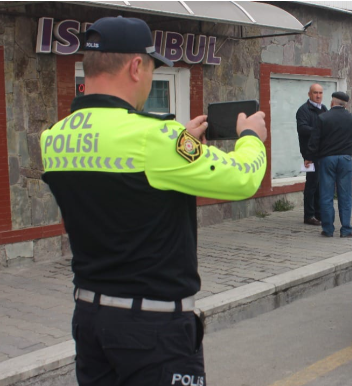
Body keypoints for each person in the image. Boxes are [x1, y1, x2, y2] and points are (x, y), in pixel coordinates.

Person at [39, 16, 267, 385]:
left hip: (90, 319)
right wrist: (250, 137)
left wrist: (183, 145)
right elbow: (243, 179)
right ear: (135, 66)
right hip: (153, 330)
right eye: (151, 68)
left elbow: (121, 182)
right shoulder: (157, 137)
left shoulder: (54, 137)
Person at [306, 91, 352, 238]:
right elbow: (351, 136)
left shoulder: (322, 118)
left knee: (326, 194)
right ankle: (346, 229)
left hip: (327, 159)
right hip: (345, 159)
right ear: (345, 104)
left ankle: (328, 229)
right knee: (345, 195)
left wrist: (309, 157)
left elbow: (315, 140)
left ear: (332, 102)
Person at [296, 84, 328, 226]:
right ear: (309, 94)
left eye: (320, 93)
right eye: (315, 93)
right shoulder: (303, 110)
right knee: (311, 184)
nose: (318, 95)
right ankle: (309, 215)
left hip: (322, 152)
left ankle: (318, 214)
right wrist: (319, 131)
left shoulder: (324, 109)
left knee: (320, 184)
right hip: (310, 154)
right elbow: (302, 129)